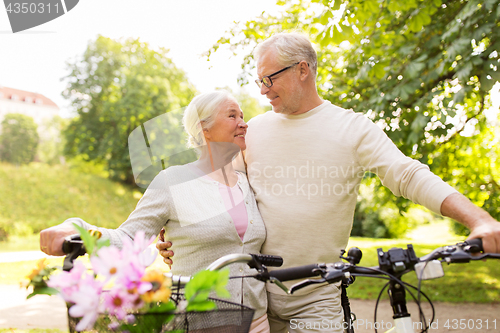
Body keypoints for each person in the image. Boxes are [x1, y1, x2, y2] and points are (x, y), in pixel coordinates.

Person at [157, 33, 500, 333]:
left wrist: (478, 219)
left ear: (302, 70)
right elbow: (220, 190)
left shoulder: (351, 128)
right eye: (259, 81)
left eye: (269, 79)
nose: (263, 91)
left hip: (318, 297)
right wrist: (178, 232)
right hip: (253, 294)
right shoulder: (255, 131)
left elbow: (407, 174)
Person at [39, 90, 271, 333]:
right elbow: (129, 239)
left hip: (257, 323)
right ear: (205, 129)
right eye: (233, 116)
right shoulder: (173, 181)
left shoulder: (246, 182)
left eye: (242, 116)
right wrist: (78, 228)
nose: (244, 124)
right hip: (198, 325)